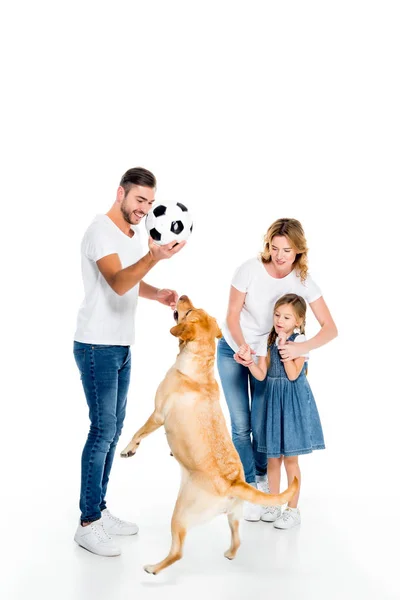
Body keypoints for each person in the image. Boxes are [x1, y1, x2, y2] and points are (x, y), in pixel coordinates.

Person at [73, 167, 185, 557]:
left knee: (114, 429)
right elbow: (118, 281)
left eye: (150, 203)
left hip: (120, 346)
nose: (144, 210)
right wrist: (154, 258)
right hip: (95, 346)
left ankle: (99, 512)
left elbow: (132, 283)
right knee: (102, 430)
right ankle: (87, 523)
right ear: (120, 192)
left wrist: (159, 295)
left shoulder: (133, 234)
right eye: (140, 200)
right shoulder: (99, 231)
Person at [217, 218, 337, 522]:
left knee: (262, 425)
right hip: (236, 348)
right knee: (241, 425)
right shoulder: (249, 269)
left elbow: (330, 328)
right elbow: (232, 315)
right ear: (267, 245)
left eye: (287, 249)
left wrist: (298, 348)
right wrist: (243, 347)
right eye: (274, 247)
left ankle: (266, 486)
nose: (280, 255)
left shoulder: (303, 280)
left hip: (270, 355)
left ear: (298, 250)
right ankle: (252, 486)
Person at [237, 293, 325, 529]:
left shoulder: (300, 340)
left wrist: (286, 348)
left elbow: (294, 374)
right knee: (273, 458)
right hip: (273, 401)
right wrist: (249, 363)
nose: (280, 320)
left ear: (298, 321)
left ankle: (292, 510)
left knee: (291, 460)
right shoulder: (269, 339)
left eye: (287, 317)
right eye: (277, 315)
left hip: (292, 402)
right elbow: (262, 374)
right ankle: (273, 503)